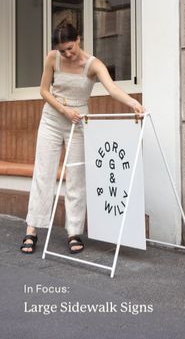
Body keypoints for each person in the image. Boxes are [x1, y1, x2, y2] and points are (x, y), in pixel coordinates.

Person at [20, 23, 145, 254]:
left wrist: (134, 103)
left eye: (69, 48)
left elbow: (112, 88)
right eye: (62, 50)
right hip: (52, 119)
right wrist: (63, 110)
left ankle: (74, 231)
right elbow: (44, 91)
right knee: (43, 173)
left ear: (78, 39)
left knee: (76, 176)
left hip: (78, 123)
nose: (66, 54)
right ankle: (32, 229)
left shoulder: (93, 64)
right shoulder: (52, 58)